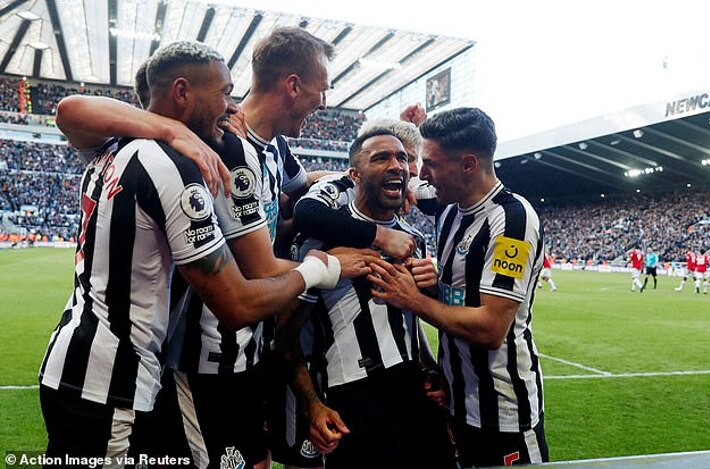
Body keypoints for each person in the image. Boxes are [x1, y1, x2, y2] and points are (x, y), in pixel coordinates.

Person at [38, 41, 373, 465]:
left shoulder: (113, 147)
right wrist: (322, 269)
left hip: (81, 362)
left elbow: (71, 113)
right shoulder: (173, 166)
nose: (233, 107)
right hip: (113, 379)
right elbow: (236, 303)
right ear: (182, 92)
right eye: (225, 93)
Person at [367, 107, 549, 467]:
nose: (421, 174)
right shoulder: (448, 206)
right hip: (457, 401)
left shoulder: (512, 221)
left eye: (431, 164)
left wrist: (414, 299)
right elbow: (381, 179)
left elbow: (491, 328)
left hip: (503, 413)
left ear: (468, 164)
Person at [284, 129, 455, 469]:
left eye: (402, 158)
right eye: (381, 158)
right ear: (354, 174)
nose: (396, 166)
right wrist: (312, 403)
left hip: (413, 390)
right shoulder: (319, 242)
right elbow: (286, 335)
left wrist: (432, 367)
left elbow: (411, 322)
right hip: (352, 396)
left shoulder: (413, 239)